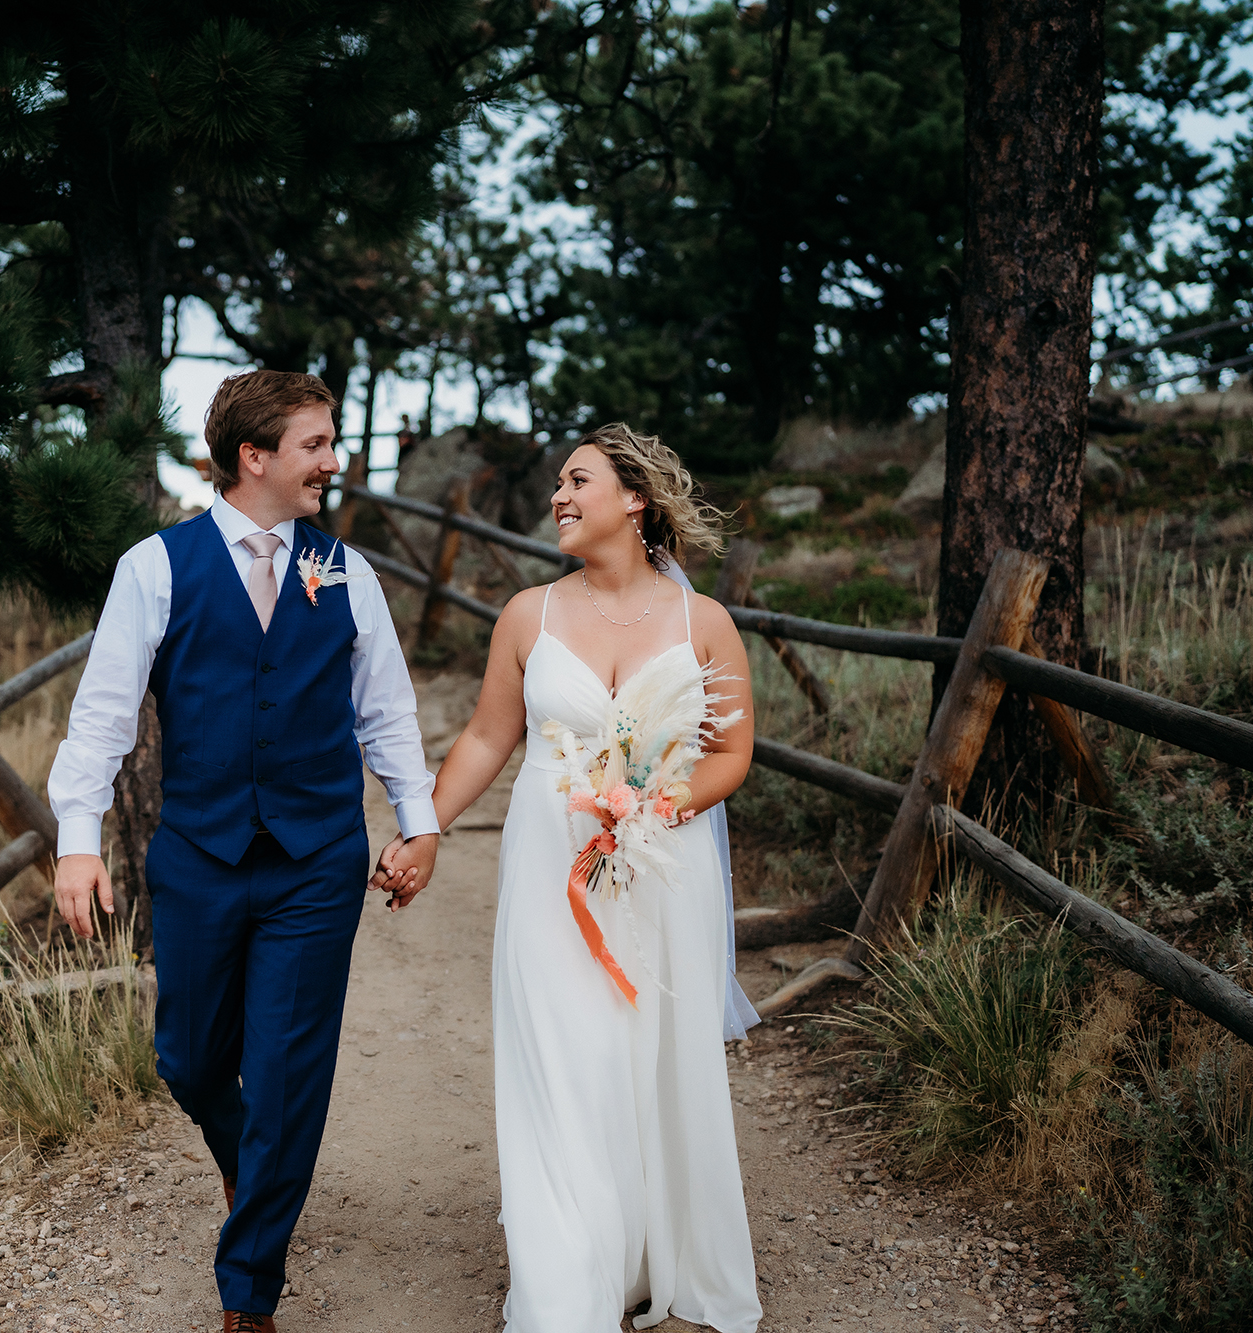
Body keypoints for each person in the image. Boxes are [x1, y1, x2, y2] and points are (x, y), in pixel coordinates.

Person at [48, 369, 441, 1333]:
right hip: (199, 857)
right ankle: (251, 1167)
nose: (333, 461)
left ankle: (249, 1291)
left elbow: (386, 711)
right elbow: (101, 716)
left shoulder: (350, 573)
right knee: (186, 1060)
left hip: (315, 861)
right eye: (315, 444)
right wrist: (76, 840)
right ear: (253, 457)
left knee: (285, 1073)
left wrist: (418, 819)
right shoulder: (156, 565)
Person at [377, 423, 763, 1332]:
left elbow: (734, 751)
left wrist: (656, 809)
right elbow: (484, 738)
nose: (558, 495)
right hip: (552, 869)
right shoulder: (528, 615)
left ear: (634, 498)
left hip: (663, 873)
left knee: (655, 1057)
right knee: (564, 1056)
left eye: (576, 479)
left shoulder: (702, 622)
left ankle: (651, 1254)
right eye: (556, 482)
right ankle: (566, 1281)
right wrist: (423, 828)